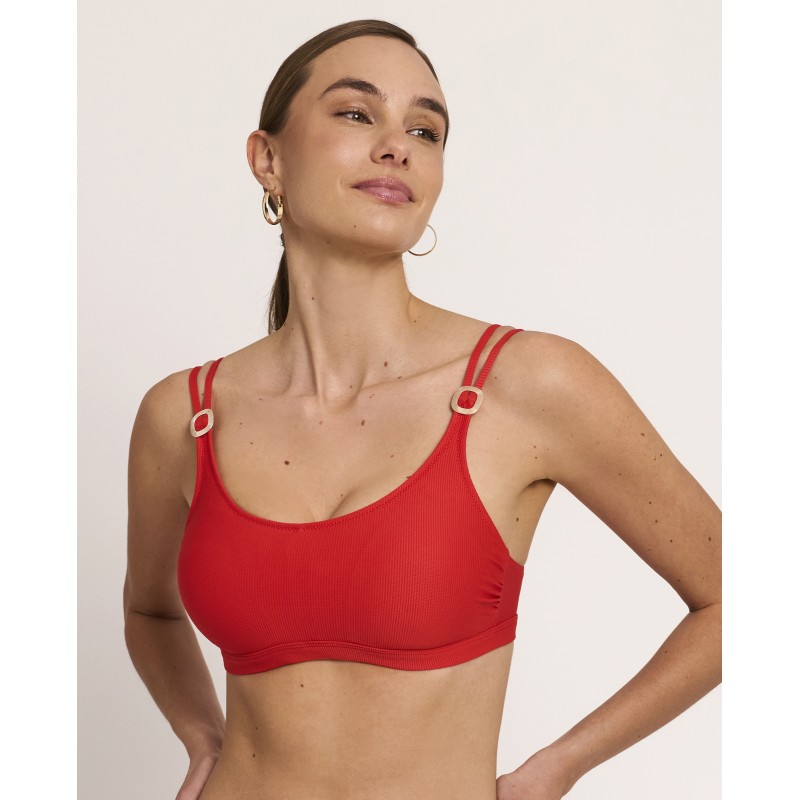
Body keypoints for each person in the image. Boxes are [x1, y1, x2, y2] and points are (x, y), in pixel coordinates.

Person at [123, 19, 721, 800]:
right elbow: (150, 612)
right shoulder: (184, 414)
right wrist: (202, 737)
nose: (396, 147)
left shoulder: (526, 384)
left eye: (425, 130)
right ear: (268, 160)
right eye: (355, 113)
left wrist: (557, 768)